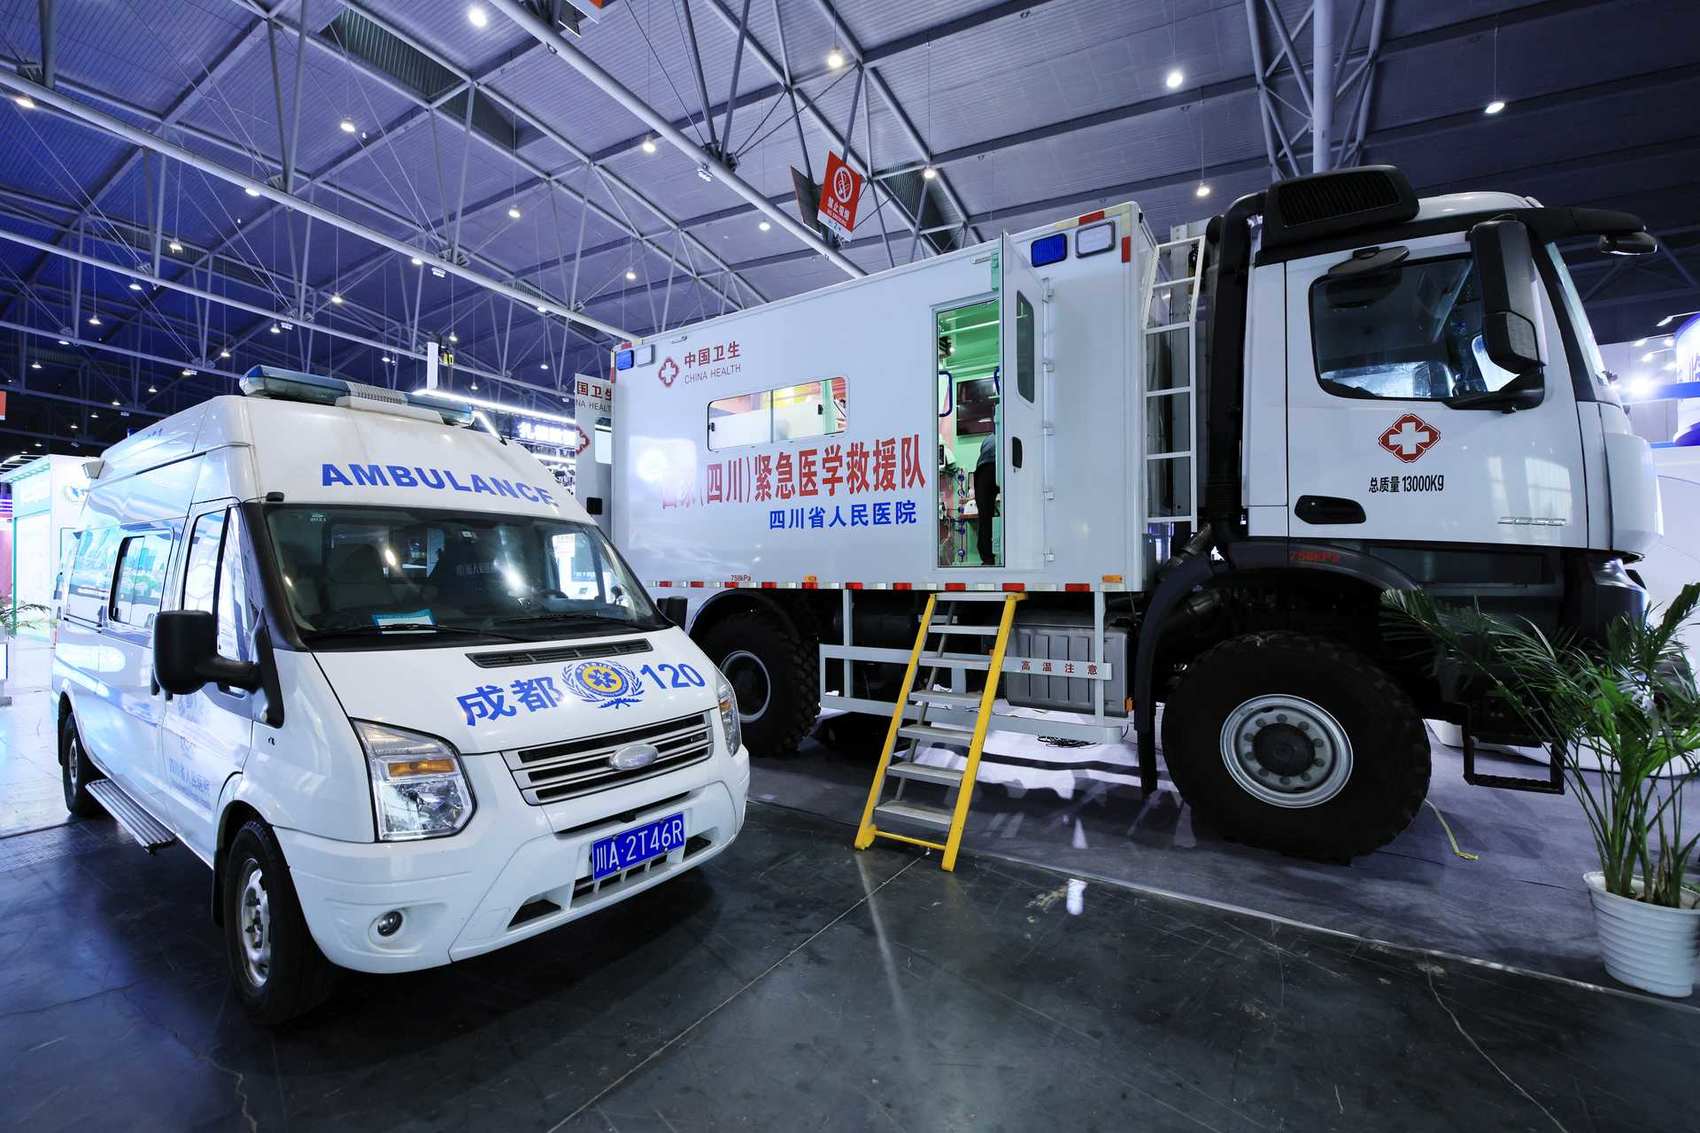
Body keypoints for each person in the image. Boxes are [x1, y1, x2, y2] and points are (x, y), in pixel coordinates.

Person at [974, 432, 998, 566]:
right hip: (1001, 467)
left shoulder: (987, 439)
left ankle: (987, 558)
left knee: (984, 518)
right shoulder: (1010, 434)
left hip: (984, 472)